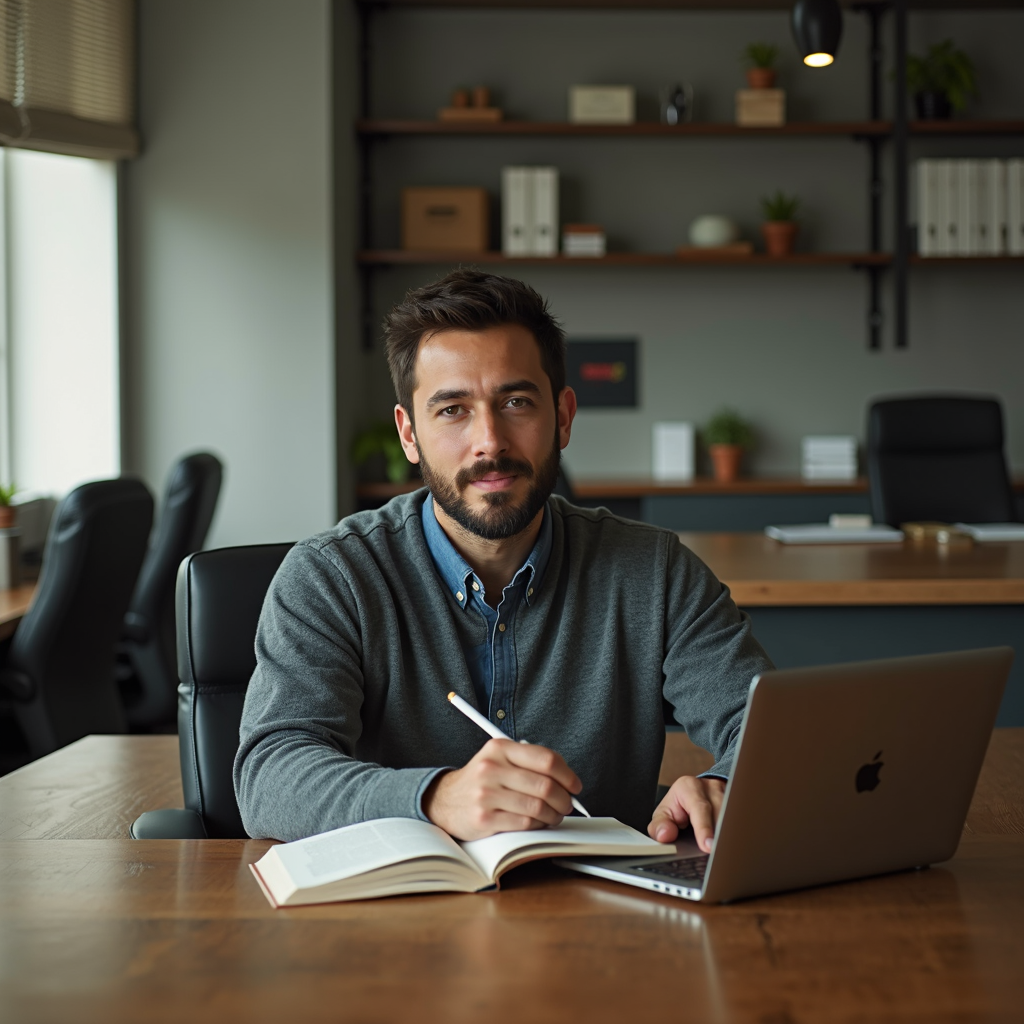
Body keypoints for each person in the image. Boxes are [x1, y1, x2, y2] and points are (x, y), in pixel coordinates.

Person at [234, 270, 772, 852]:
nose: (489, 441)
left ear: (563, 416)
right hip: (400, 919)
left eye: (515, 402)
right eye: (452, 410)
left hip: (612, 917)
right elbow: (269, 776)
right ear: (408, 433)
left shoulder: (656, 572)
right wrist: (436, 798)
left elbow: (768, 730)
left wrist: (721, 785)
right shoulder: (332, 576)